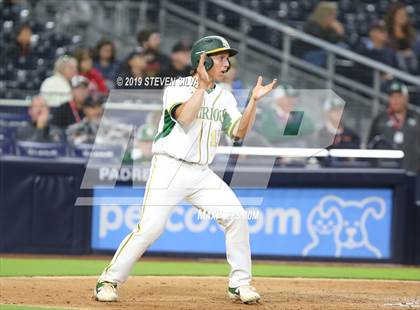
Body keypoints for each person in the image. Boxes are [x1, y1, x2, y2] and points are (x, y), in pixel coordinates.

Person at [94, 35, 277, 304]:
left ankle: (239, 284)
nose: (227, 62)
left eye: (227, 57)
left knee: (236, 216)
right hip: (169, 167)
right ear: (202, 60)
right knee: (150, 229)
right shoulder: (178, 87)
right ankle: (107, 281)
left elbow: (239, 132)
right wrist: (201, 87)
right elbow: (185, 118)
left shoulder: (225, 97)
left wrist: (253, 102)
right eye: (221, 57)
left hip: (201, 173)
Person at [368, 81, 420, 173]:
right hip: (385, 173)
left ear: (406, 98)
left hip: (414, 174)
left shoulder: (417, 118)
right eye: (392, 97)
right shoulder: (380, 120)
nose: (395, 100)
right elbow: (370, 146)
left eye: (399, 96)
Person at [295, 1, 346, 67]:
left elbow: (337, 41)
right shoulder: (312, 24)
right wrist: (337, 32)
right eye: (331, 14)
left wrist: (340, 32)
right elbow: (321, 41)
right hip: (310, 53)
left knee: (343, 46)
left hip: (324, 53)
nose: (333, 17)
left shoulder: (330, 26)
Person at [385, 3, 420, 75]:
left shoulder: (412, 34)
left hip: (414, 66)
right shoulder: (386, 34)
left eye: (405, 15)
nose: (403, 17)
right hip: (396, 69)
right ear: (393, 16)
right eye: (400, 14)